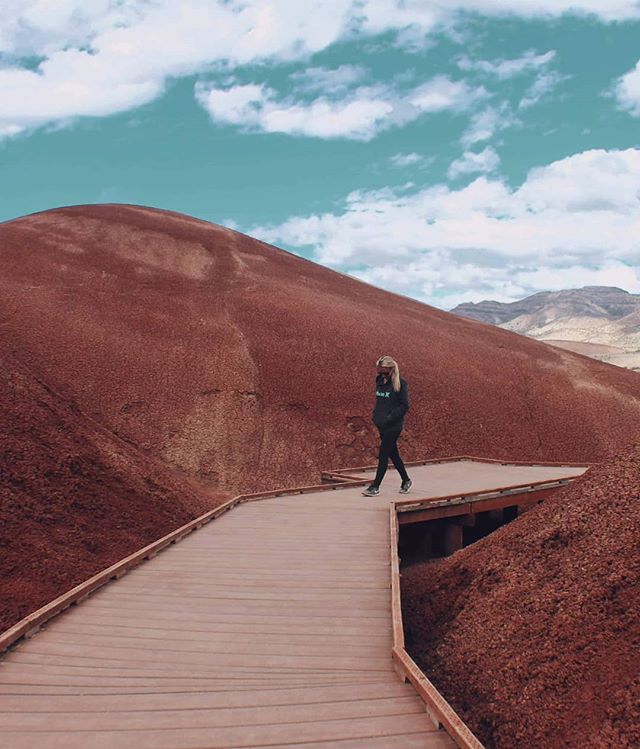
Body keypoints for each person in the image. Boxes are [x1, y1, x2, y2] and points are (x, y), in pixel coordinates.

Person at [362, 355, 412, 497]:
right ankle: (406, 480)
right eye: (378, 369)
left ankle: (375, 486)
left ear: (390, 369)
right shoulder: (379, 381)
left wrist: (390, 417)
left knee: (383, 453)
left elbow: (404, 405)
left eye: (382, 369)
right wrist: (376, 416)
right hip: (381, 424)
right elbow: (380, 402)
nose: (379, 372)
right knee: (393, 454)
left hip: (393, 425)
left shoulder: (400, 383)